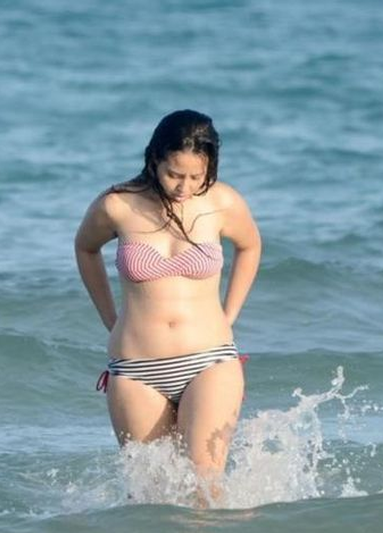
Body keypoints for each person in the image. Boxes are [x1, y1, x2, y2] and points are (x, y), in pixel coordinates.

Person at [75, 109, 261, 503]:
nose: (184, 186)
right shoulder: (118, 205)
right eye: (175, 174)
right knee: (149, 497)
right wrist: (110, 318)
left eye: (197, 176)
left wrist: (230, 314)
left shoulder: (222, 202)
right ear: (154, 158)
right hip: (136, 370)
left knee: (204, 487)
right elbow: (85, 248)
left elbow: (250, 246)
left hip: (209, 360)